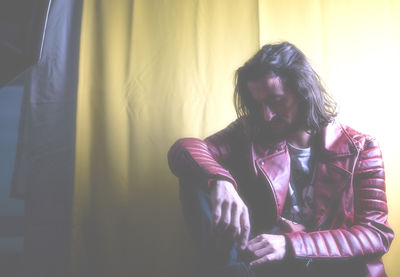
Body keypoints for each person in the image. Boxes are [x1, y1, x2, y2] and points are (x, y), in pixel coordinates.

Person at [167, 42, 394, 277]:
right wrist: (220, 180)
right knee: (195, 174)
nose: (266, 115)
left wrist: (291, 245)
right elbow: (184, 149)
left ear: (303, 92)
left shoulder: (361, 148)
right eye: (258, 104)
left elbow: (376, 233)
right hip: (267, 264)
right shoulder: (250, 131)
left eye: (276, 101)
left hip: (331, 265)